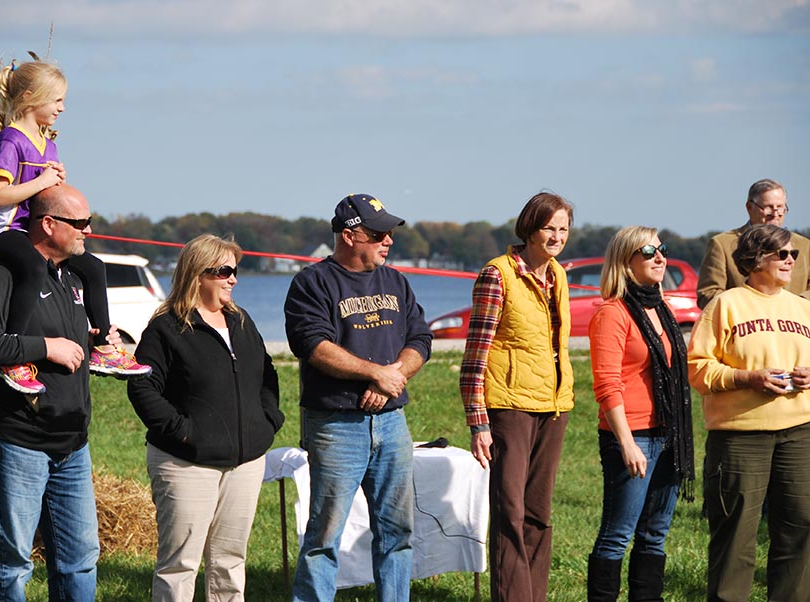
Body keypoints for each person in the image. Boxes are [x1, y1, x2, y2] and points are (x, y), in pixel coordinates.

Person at [0, 183, 114, 601]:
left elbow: (77, 342)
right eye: (80, 223)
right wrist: (46, 347)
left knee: (80, 559)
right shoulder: (5, 275)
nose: (88, 231)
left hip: (72, 445)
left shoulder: (73, 276)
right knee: (12, 565)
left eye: (89, 222)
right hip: (18, 442)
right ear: (48, 224)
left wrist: (101, 342)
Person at [285, 193, 432, 602]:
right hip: (336, 427)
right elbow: (313, 346)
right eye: (379, 233)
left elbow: (420, 338)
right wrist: (374, 373)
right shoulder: (311, 283)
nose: (389, 241)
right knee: (324, 535)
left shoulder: (396, 281)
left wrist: (394, 375)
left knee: (397, 532)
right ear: (350, 235)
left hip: (391, 423)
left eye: (390, 233)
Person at [0, 59, 149, 394]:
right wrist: (43, 181)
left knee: (94, 267)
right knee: (32, 267)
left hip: (34, 232)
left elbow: (44, 195)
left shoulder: (46, 143)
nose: (62, 108)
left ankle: (105, 348)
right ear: (30, 97)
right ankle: (12, 354)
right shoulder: (11, 141)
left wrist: (55, 186)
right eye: (56, 100)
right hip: (1, 233)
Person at [127, 234, 285, 601]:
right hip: (185, 463)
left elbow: (267, 375)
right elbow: (142, 388)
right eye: (225, 271)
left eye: (235, 271)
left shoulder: (241, 321)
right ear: (198, 274)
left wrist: (267, 420)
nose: (234, 279)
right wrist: (184, 432)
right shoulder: (165, 328)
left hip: (244, 463)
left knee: (230, 563)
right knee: (180, 565)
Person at [459, 192, 575, 602]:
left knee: (538, 515)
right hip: (509, 406)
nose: (557, 236)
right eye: (549, 227)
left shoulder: (557, 275)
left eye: (563, 228)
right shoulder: (498, 274)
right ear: (529, 227)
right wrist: (478, 422)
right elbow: (476, 352)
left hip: (553, 406)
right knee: (509, 512)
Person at [688, 224, 810, 601]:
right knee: (736, 538)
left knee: (800, 532)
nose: (791, 261)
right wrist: (746, 377)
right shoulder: (726, 304)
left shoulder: (803, 307)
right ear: (757, 259)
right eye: (782, 254)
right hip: (741, 437)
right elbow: (697, 368)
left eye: (794, 254)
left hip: (800, 433)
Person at [586, 227, 695, 601]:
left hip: (669, 435)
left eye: (662, 249)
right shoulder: (612, 313)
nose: (660, 257)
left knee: (655, 534)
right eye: (649, 251)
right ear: (625, 261)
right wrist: (627, 443)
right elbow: (607, 385)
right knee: (618, 534)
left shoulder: (662, 310)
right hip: (633, 437)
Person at [696, 178, 810, 308]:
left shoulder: (804, 246)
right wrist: (748, 308)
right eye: (768, 207)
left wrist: (794, 304)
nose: (775, 214)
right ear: (749, 207)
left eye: (780, 207)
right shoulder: (722, 245)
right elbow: (707, 293)